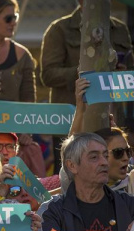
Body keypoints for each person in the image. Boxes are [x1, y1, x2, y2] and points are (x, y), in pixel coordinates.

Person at [40, 0, 134, 175]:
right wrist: (85, 73)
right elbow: (48, 74)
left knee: (116, 174)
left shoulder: (119, 28)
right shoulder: (59, 28)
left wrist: (120, 70)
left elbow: (129, 69)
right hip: (73, 120)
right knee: (71, 173)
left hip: (112, 118)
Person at [33, 133, 134, 231]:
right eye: (94, 157)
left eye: (105, 155)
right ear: (72, 166)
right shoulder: (53, 210)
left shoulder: (129, 204)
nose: (104, 162)